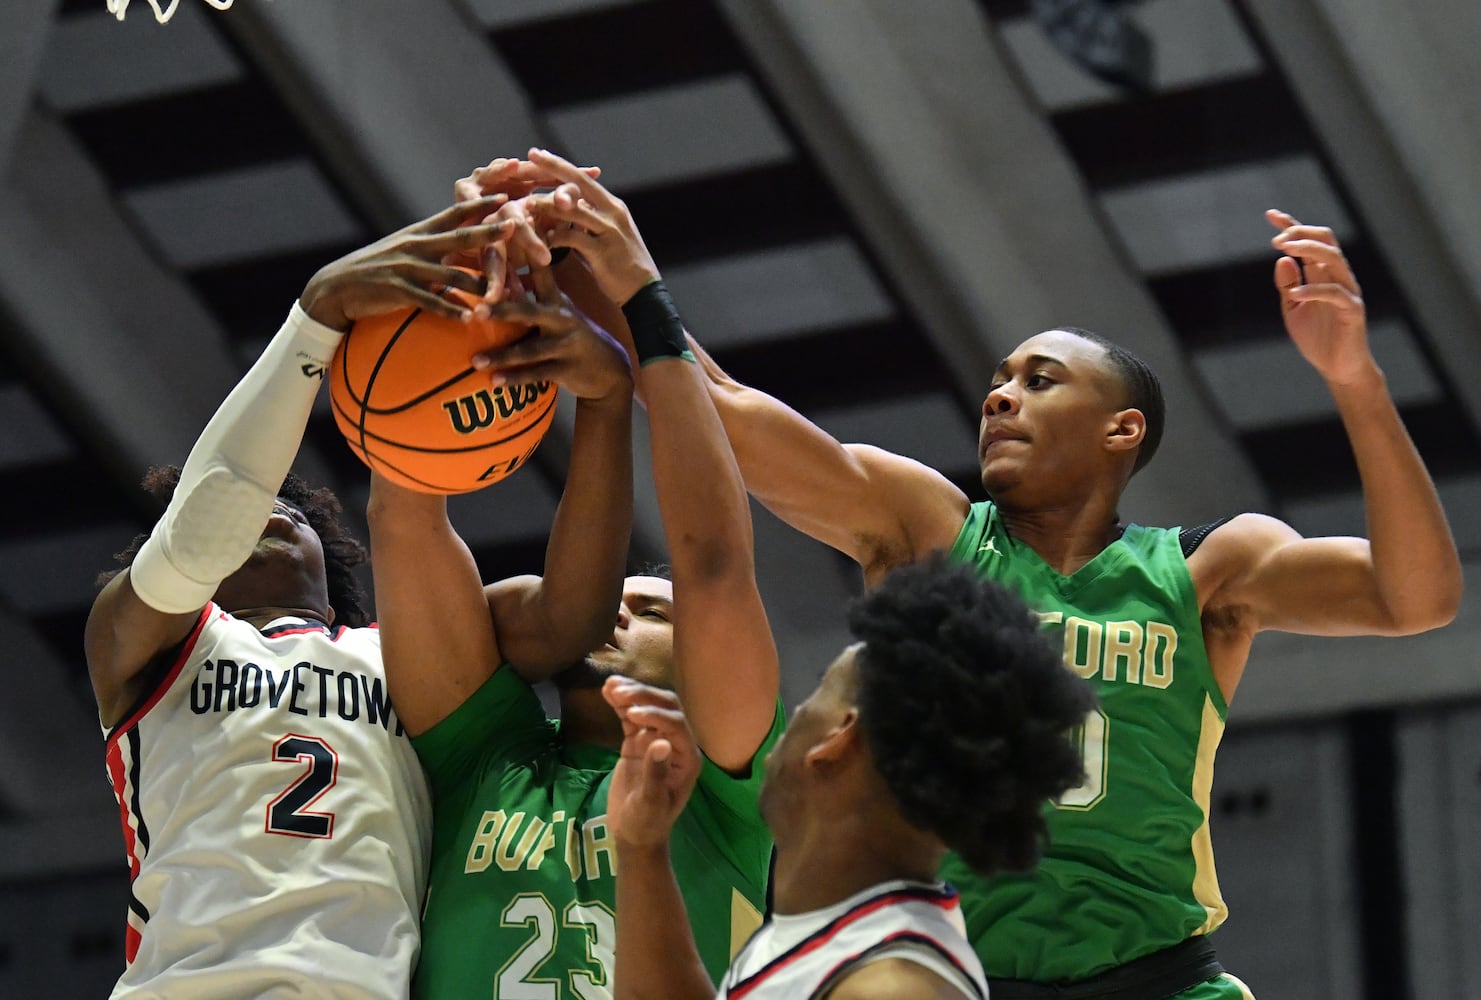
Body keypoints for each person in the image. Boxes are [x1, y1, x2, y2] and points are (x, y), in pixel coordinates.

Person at [618, 211, 1462, 998]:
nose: (999, 396)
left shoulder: (1207, 569)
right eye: (997, 382)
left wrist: (1354, 380)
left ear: (1120, 430)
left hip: (1158, 978)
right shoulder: (932, 533)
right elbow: (719, 412)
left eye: (1039, 379)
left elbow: (1415, 597)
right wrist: (617, 280)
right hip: (955, 974)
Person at [367, 150, 784, 998]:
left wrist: (636, 308)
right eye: (624, 600)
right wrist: (467, 272)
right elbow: (405, 509)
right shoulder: (486, 757)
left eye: (655, 613)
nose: (620, 613)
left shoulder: (729, 793)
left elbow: (712, 566)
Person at [84, 198, 524, 997]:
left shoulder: (406, 656)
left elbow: (567, 616)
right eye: (256, 511)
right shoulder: (153, 642)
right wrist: (315, 319)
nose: (265, 519)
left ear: (334, 550)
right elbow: (202, 529)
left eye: (291, 513)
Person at [603, 554, 1097, 1000]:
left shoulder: (891, 985)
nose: (796, 713)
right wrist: (642, 849)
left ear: (838, 737)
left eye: (820, 690)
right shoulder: (843, 932)